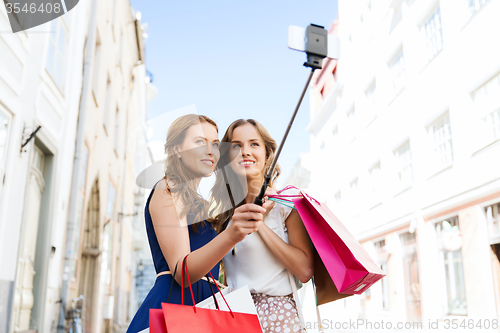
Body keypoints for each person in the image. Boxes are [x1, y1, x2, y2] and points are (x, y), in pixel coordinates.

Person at [127, 114, 266, 333]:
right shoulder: (168, 188)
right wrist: (231, 235)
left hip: (204, 307)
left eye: (214, 143)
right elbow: (181, 272)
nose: (210, 150)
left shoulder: (201, 205)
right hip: (175, 305)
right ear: (177, 149)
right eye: (200, 141)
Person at [212, 119, 314, 333]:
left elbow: (305, 271)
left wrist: (258, 224)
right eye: (236, 146)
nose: (245, 151)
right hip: (235, 319)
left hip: (278, 318)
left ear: (267, 154)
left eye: (254, 144)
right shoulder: (225, 217)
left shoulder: (285, 205)